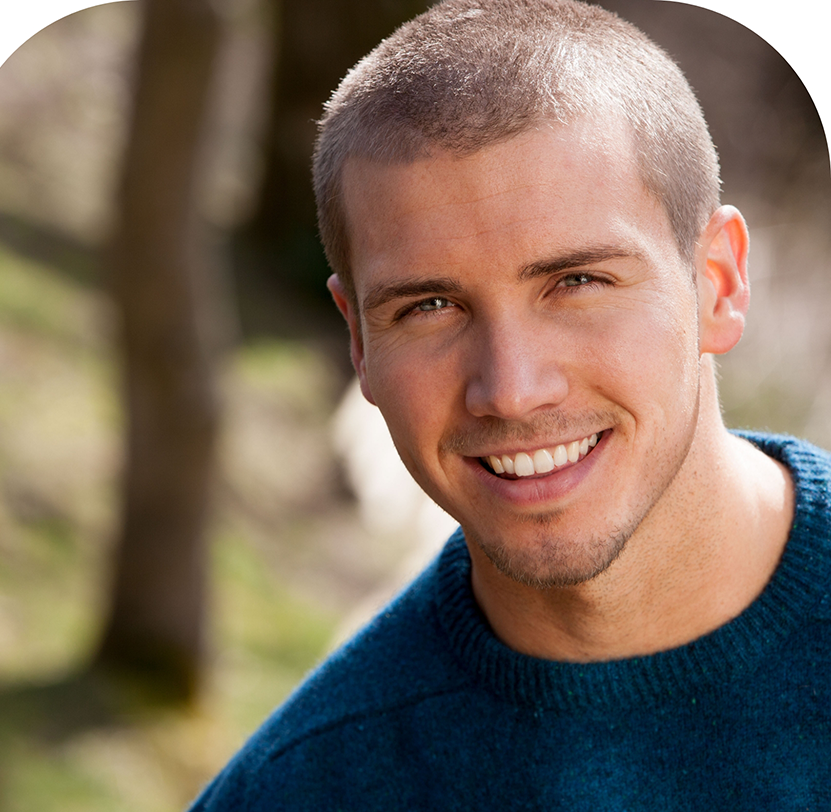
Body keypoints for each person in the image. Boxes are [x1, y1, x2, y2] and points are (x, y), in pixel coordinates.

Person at [189, 0, 831, 807]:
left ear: (719, 284)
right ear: (358, 341)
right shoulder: (302, 789)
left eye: (577, 282)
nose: (512, 388)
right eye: (428, 307)